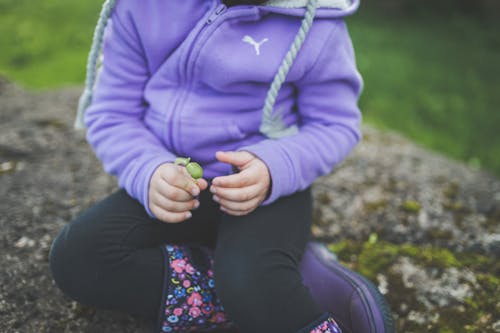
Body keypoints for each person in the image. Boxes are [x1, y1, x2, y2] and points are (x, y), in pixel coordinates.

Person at [49, 0, 394, 332]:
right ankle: (285, 284)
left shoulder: (318, 22)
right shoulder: (141, 7)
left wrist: (275, 166)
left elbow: (336, 124)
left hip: (264, 192)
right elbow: (112, 113)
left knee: (249, 279)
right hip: (176, 187)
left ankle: (267, 285)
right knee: (78, 257)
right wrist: (148, 170)